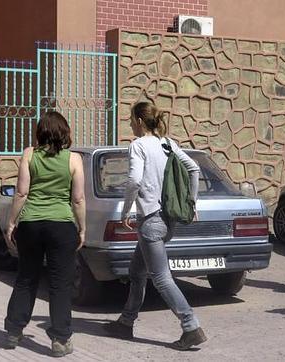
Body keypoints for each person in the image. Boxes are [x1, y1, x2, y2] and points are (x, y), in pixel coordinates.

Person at [102, 101, 207, 350]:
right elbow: (193, 167)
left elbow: (134, 180)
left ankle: (191, 326)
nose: (129, 124)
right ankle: (126, 322)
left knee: (161, 278)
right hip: (167, 220)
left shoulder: (138, 145)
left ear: (139, 121)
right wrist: (192, 203)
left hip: (150, 221)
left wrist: (126, 210)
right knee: (137, 272)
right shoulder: (167, 143)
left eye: (130, 119)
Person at [3, 111, 86, 357]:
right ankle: (60, 339)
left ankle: (13, 331)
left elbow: (21, 193)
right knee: (60, 284)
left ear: (40, 132)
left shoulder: (29, 154)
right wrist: (82, 227)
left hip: (31, 225)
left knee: (26, 278)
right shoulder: (74, 160)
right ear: (65, 132)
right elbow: (78, 198)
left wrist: (11, 222)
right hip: (61, 226)